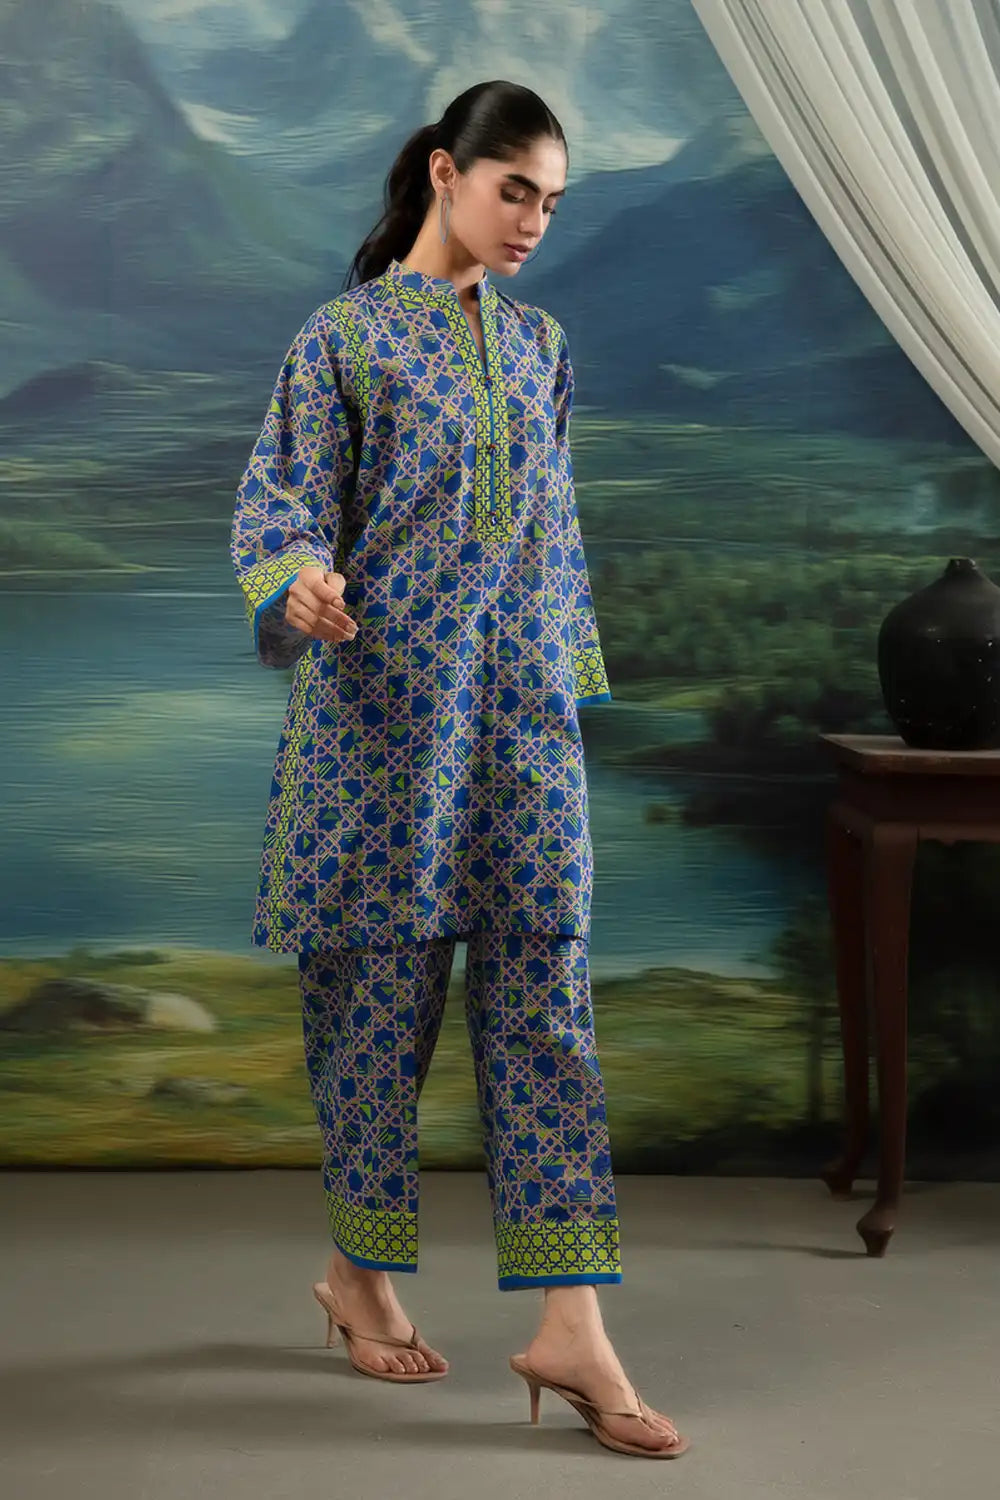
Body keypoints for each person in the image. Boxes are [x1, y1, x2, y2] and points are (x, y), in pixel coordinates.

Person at [230, 79, 688, 1460]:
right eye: (514, 190)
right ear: (446, 172)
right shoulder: (343, 340)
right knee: (376, 1007)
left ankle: (573, 1324)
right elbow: (281, 499)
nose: (534, 220)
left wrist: (566, 681)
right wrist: (298, 580)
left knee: (547, 1000)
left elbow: (555, 527)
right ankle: (359, 1275)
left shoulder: (541, 346)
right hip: (379, 725)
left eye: (552, 200)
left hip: (521, 723)